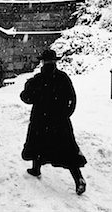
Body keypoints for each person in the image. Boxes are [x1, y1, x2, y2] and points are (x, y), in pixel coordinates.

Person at [20, 49, 87, 195]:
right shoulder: (63, 77)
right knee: (67, 151)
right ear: (55, 62)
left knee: (38, 144)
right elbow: (72, 98)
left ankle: (36, 169)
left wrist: (25, 91)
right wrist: (65, 115)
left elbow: (27, 98)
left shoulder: (37, 79)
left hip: (40, 119)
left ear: (43, 62)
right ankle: (78, 179)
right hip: (59, 121)